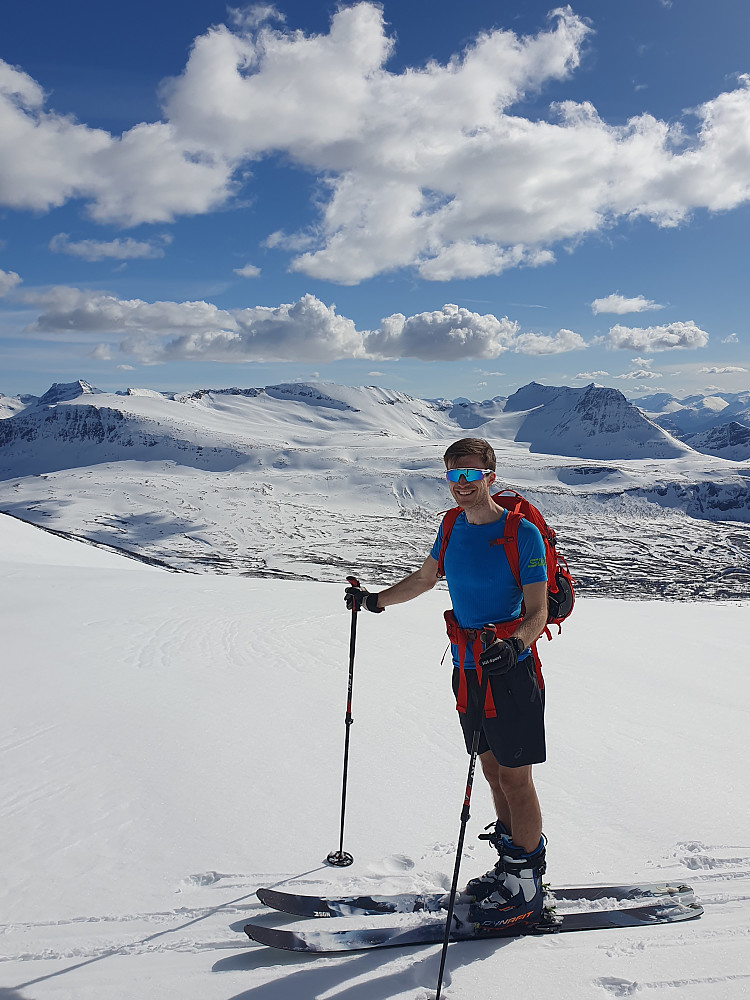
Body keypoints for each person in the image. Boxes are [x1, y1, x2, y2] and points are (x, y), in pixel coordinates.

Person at [345, 437, 550, 930]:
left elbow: (538, 611)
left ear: (490, 476)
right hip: (467, 669)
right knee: (492, 771)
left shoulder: (521, 535)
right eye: (453, 476)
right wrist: (375, 602)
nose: (461, 485)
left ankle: (527, 886)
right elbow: (424, 578)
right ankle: (510, 866)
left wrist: (515, 645)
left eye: (470, 475)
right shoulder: (451, 525)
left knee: (517, 778)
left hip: (510, 669)